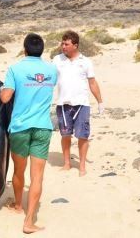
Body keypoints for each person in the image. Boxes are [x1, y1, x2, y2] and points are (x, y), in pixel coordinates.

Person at [0, 33, 57, 234]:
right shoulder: (52, 70)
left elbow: (6, 98)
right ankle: (29, 221)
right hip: (43, 127)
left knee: (18, 171)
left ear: (24, 49)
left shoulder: (15, 69)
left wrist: (1, 91)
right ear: (42, 49)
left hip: (20, 127)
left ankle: (18, 205)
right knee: (37, 177)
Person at [52, 30, 104, 177]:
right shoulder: (57, 60)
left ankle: (82, 166)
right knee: (65, 135)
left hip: (82, 104)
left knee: (83, 136)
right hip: (63, 104)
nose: (63, 46)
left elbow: (92, 83)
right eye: (62, 43)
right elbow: (49, 79)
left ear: (75, 45)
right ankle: (67, 163)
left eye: (66, 44)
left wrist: (100, 102)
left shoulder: (85, 61)